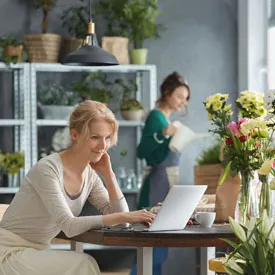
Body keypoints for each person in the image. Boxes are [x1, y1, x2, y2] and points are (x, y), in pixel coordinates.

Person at [0, 100, 155, 275]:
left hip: (37, 252)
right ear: (75, 135)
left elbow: (123, 222)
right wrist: (124, 215)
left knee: (82, 264)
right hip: (8, 253)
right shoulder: (48, 169)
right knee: (83, 264)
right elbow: (69, 225)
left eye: (107, 138)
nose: (103, 146)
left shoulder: (90, 175)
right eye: (95, 137)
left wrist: (109, 176)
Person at [130, 71, 190, 275]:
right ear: (166, 92)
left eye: (185, 98)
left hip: (165, 183)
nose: (182, 102)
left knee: (158, 249)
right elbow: (142, 151)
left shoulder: (166, 118)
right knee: (153, 249)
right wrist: (163, 134)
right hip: (157, 184)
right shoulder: (156, 117)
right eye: (179, 96)